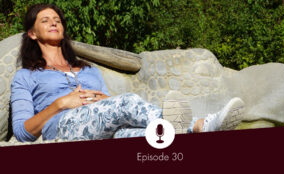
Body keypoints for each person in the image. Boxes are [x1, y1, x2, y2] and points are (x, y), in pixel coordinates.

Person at [11, 3, 245, 142]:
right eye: (45, 20)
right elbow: (23, 132)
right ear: (32, 33)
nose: (54, 23)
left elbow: (110, 105)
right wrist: (61, 103)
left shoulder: (88, 70)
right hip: (61, 128)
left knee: (145, 136)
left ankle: (186, 137)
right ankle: (200, 125)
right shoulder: (26, 76)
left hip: (103, 124)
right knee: (127, 102)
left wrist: (106, 100)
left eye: (57, 20)